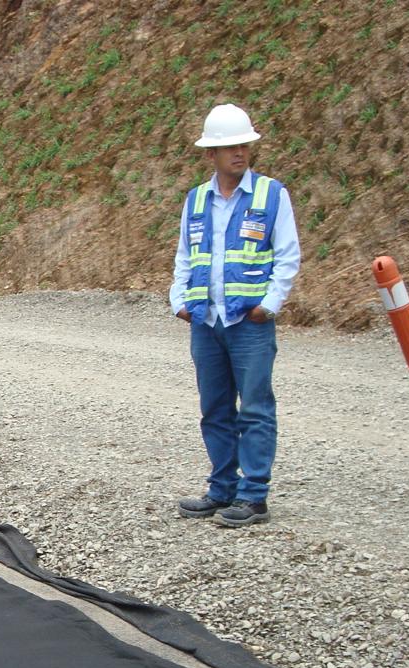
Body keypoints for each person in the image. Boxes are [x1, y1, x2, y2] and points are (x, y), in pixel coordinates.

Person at [169, 104, 300, 527]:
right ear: (211, 154)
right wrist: (179, 300)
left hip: (250, 322)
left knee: (256, 408)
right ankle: (221, 489)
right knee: (215, 408)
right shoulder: (197, 199)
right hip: (207, 322)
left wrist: (270, 304)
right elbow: (185, 258)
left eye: (243, 145)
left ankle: (254, 496)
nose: (239, 153)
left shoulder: (271, 194)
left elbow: (287, 257)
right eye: (229, 147)